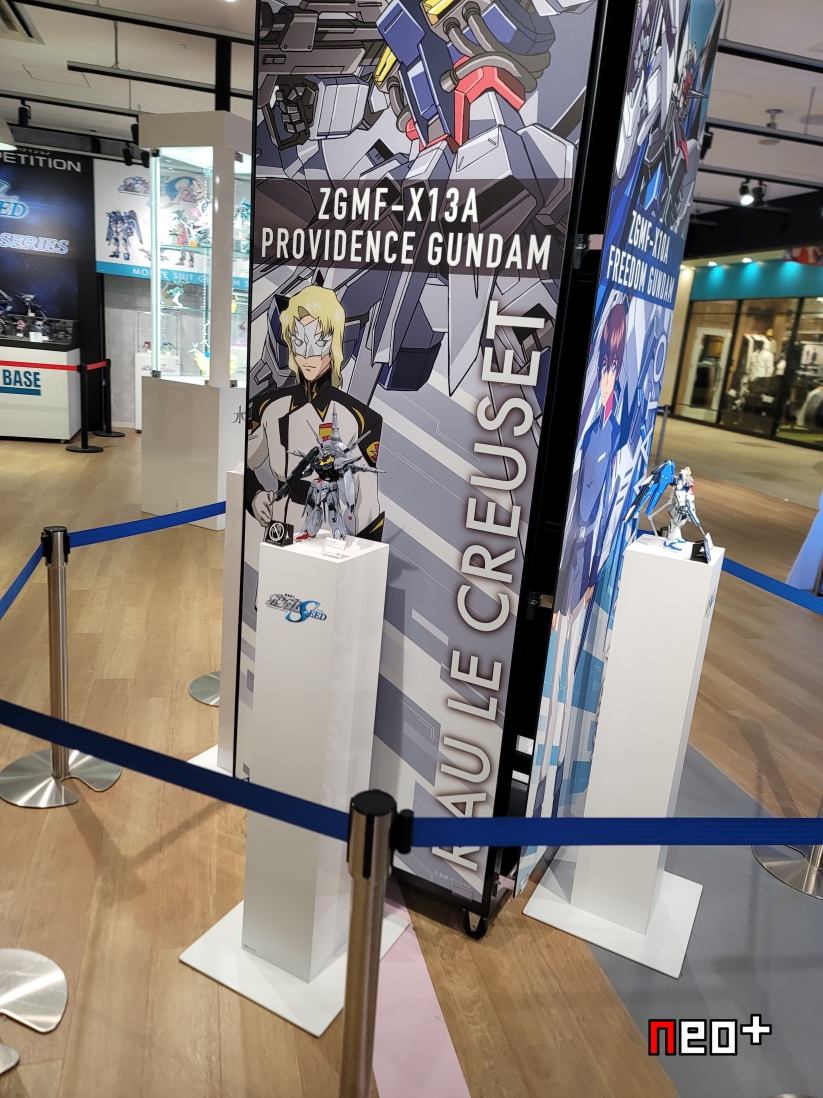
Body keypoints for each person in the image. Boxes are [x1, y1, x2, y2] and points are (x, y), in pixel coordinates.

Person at [245, 284, 384, 541]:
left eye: (319, 341)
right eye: (298, 341)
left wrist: (364, 557)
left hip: (329, 531)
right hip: (278, 528)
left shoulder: (361, 419)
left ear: (335, 343)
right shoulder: (269, 407)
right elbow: (246, 465)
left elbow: (367, 504)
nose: (307, 354)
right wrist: (254, 496)